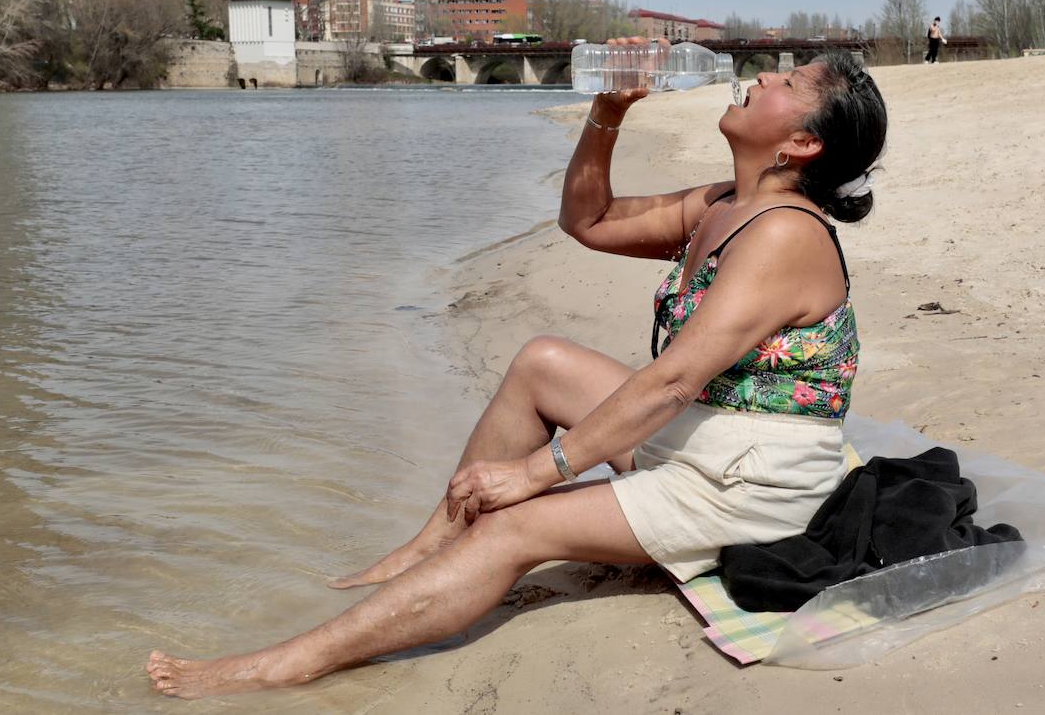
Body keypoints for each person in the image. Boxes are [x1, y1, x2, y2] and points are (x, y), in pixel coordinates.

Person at [145, 40, 889, 698]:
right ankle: (430, 544)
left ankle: (288, 664)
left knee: (513, 528)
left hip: (750, 482)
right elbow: (588, 221)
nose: (760, 79)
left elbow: (670, 380)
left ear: (800, 143)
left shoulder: (786, 235)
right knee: (541, 362)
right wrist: (607, 112)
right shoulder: (724, 200)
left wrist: (538, 472)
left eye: (787, 83)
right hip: (704, 436)